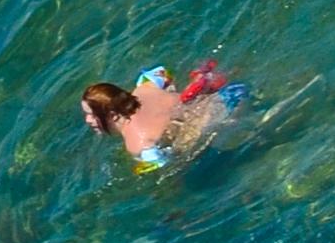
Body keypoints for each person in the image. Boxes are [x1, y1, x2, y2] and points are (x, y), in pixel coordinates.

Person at [78, 62, 245, 171]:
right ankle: (202, 80)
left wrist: (142, 168)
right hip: (230, 94)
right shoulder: (144, 88)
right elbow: (161, 72)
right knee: (187, 101)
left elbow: (168, 166)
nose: (87, 120)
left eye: (91, 115)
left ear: (113, 115)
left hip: (226, 113)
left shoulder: (137, 142)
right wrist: (169, 89)